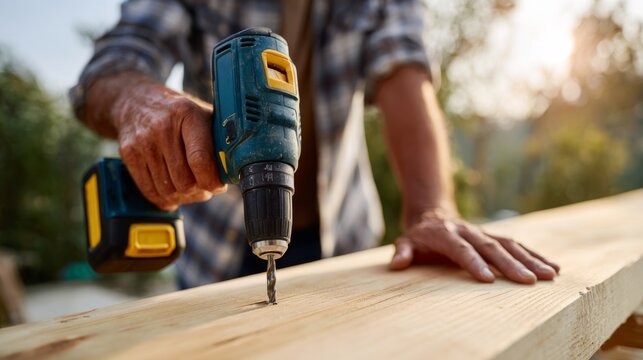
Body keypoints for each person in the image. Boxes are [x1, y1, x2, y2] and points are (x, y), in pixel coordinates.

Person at [71, 0, 560, 288]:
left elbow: (404, 71)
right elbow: (119, 57)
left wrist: (430, 209)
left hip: (340, 239)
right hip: (213, 244)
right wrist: (140, 103)